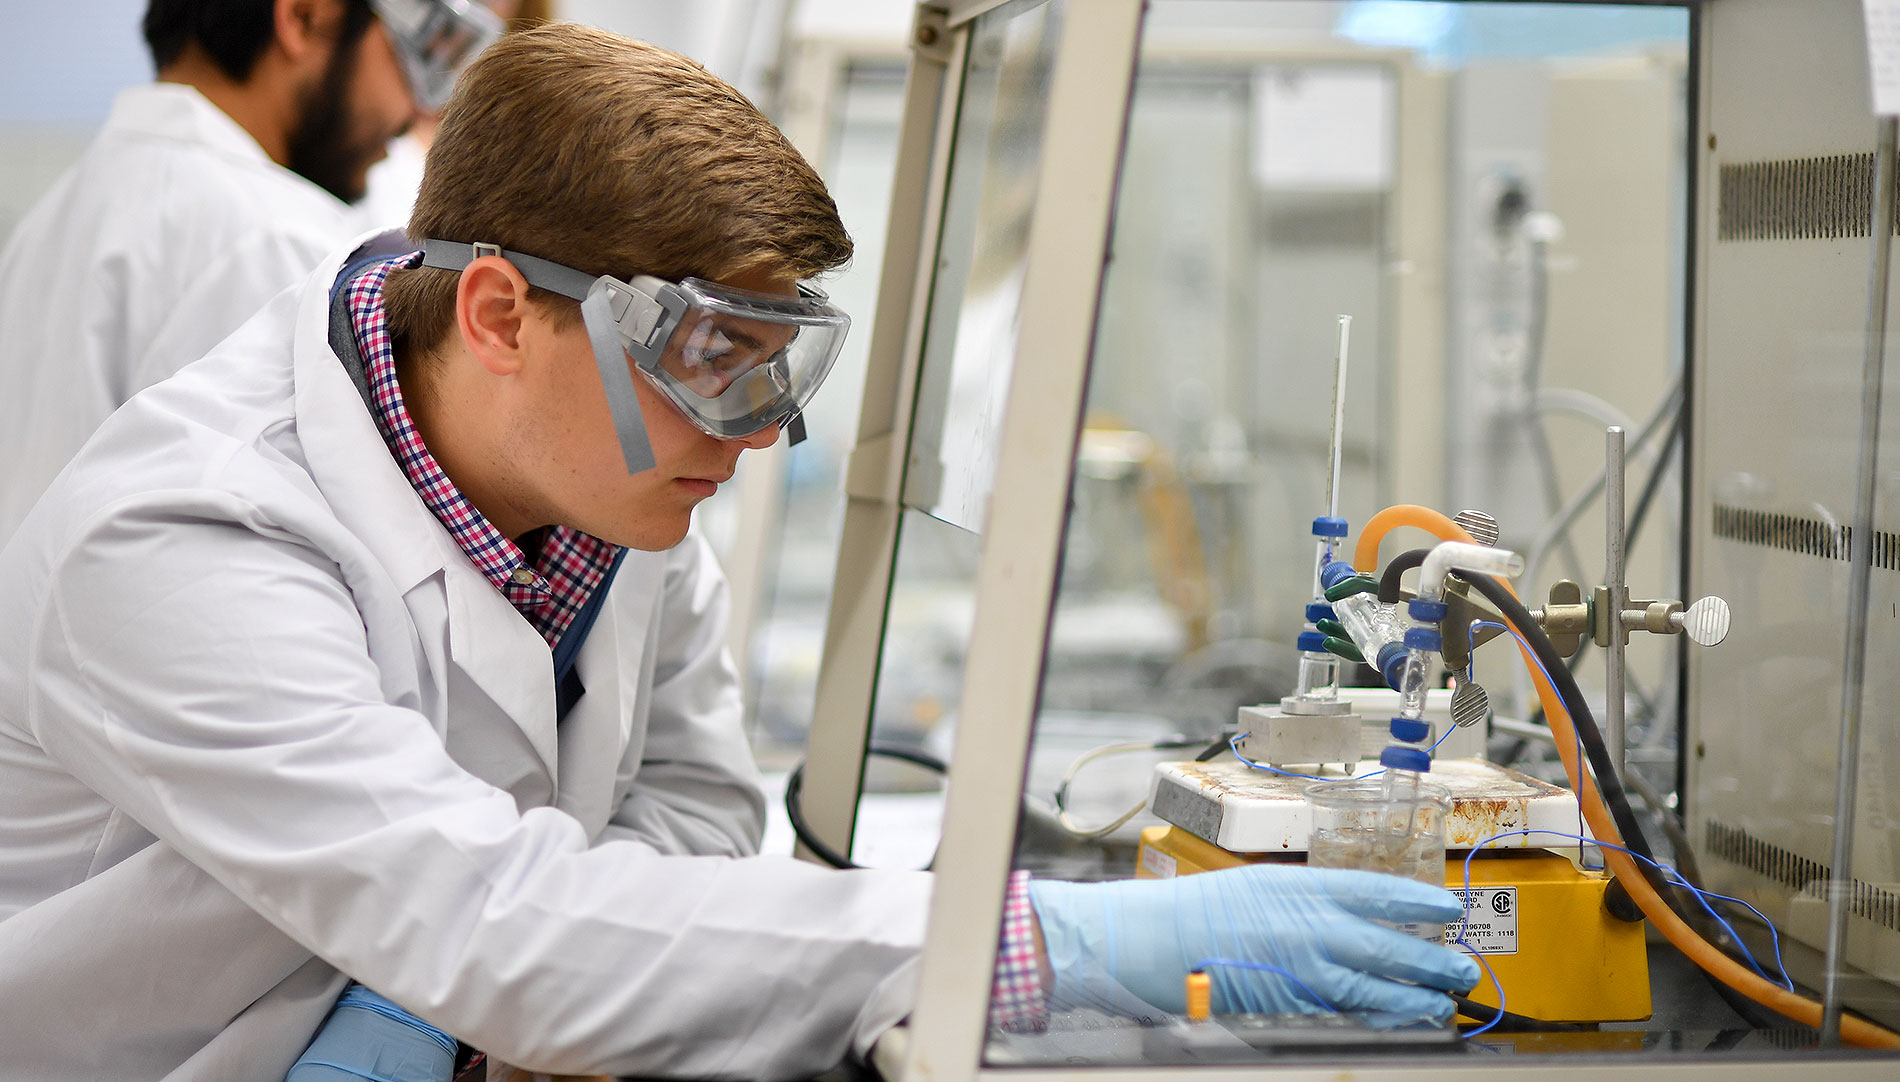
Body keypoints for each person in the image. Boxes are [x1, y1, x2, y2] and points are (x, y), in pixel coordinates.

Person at [0, 24, 1479, 1082]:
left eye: (781, 362)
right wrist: (1038, 944)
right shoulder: (185, 535)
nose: (758, 426)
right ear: (507, 314)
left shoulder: (614, 496)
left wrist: (532, 994)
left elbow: (699, 804)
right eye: (710, 356)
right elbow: (484, 917)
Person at [0, 0, 500, 542]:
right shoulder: (278, 243)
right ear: (303, 18)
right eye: (416, 52)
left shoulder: (61, 211)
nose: (414, 112)